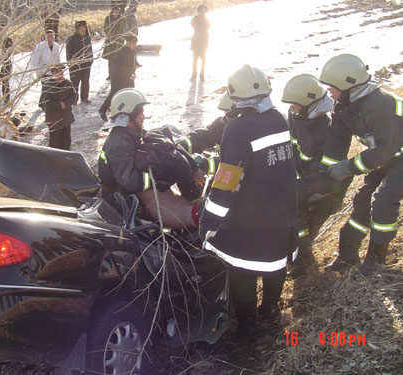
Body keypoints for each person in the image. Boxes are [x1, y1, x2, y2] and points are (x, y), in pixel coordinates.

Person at [199, 65, 298, 338]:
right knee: (274, 264)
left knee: (242, 271)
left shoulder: (237, 129)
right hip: (280, 215)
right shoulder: (279, 119)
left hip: (249, 221)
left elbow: (226, 183)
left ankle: (247, 326)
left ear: (234, 96)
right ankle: (270, 309)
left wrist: (208, 222)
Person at [318, 54, 403, 276]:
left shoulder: (381, 106)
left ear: (347, 85)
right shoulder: (343, 106)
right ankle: (348, 256)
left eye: (331, 87)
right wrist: (325, 174)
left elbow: (382, 152)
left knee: (383, 201)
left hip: (395, 157)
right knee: (362, 200)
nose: (328, 92)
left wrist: (347, 168)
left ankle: (376, 260)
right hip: (387, 157)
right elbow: (336, 142)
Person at [98, 88, 203, 229]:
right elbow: (131, 181)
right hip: (118, 199)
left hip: (129, 190)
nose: (143, 117)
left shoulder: (130, 133)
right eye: (141, 113)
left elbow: (163, 144)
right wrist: (159, 176)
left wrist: (189, 167)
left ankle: (192, 205)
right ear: (128, 119)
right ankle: (187, 217)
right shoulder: (118, 144)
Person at [280, 74, 351, 278]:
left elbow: (327, 176)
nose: (291, 109)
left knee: (308, 225)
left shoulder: (326, 131)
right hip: (304, 181)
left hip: (329, 188)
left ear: (308, 104)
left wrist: (300, 190)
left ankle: (302, 259)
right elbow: (292, 150)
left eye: (294, 106)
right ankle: (298, 256)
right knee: (296, 217)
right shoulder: (295, 116)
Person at [99, 35, 138, 121]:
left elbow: (133, 65)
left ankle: (124, 112)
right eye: (133, 43)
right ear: (128, 43)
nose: (135, 45)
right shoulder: (122, 52)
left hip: (128, 78)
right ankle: (102, 110)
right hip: (118, 78)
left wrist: (133, 73)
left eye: (136, 43)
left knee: (128, 94)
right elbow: (120, 67)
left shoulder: (134, 51)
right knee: (114, 95)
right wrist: (129, 75)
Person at [43, 64, 77, 150]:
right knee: (55, 144)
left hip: (66, 118)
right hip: (53, 121)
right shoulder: (47, 86)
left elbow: (74, 97)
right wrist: (59, 105)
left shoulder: (67, 83)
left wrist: (65, 104)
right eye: (57, 72)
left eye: (61, 72)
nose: (60, 75)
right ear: (53, 73)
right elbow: (44, 103)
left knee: (66, 142)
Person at [31, 30, 61, 109]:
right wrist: (38, 73)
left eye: (52, 36)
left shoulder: (56, 46)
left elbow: (57, 58)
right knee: (46, 88)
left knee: (51, 88)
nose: (50, 38)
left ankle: (42, 103)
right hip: (43, 71)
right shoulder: (40, 46)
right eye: (49, 36)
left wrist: (58, 69)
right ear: (45, 37)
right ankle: (45, 104)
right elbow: (35, 60)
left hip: (53, 71)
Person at [66, 20, 93, 104]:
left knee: (85, 82)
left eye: (84, 27)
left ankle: (84, 98)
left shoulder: (87, 38)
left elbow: (90, 50)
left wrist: (90, 60)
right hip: (75, 65)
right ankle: (74, 99)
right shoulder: (71, 38)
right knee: (75, 83)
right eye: (81, 27)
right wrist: (71, 63)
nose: (83, 29)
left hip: (86, 64)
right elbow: (68, 53)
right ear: (77, 28)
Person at [102, 6, 125, 80]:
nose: (116, 13)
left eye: (117, 12)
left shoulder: (122, 19)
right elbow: (105, 28)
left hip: (119, 41)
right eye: (114, 11)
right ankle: (110, 75)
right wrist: (109, 35)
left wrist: (118, 36)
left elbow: (123, 29)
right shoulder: (108, 18)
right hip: (110, 41)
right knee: (111, 60)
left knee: (119, 59)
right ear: (112, 12)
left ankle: (118, 74)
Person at [190, 4, 210, 81]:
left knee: (201, 61)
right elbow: (192, 24)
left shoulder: (204, 20)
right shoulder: (197, 19)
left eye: (203, 11)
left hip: (201, 43)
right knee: (196, 61)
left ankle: (200, 75)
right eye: (201, 11)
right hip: (198, 43)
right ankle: (195, 75)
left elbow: (208, 27)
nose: (203, 13)